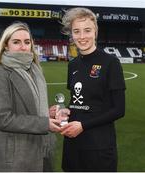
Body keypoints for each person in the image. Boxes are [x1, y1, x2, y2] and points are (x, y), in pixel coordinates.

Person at [0, 22, 61, 172]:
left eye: (27, 42)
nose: (23, 47)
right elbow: (3, 119)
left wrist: (47, 112)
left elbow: (30, 107)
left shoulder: (35, 71)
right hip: (15, 158)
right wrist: (44, 123)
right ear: (6, 46)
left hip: (40, 151)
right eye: (16, 42)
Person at [60, 7, 126, 172]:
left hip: (99, 147)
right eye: (77, 31)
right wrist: (65, 111)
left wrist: (83, 125)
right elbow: (77, 101)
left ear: (95, 31)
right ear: (71, 34)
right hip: (73, 145)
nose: (82, 37)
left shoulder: (111, 63)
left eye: (87, 30)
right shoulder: (73, 64)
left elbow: (119, 109)